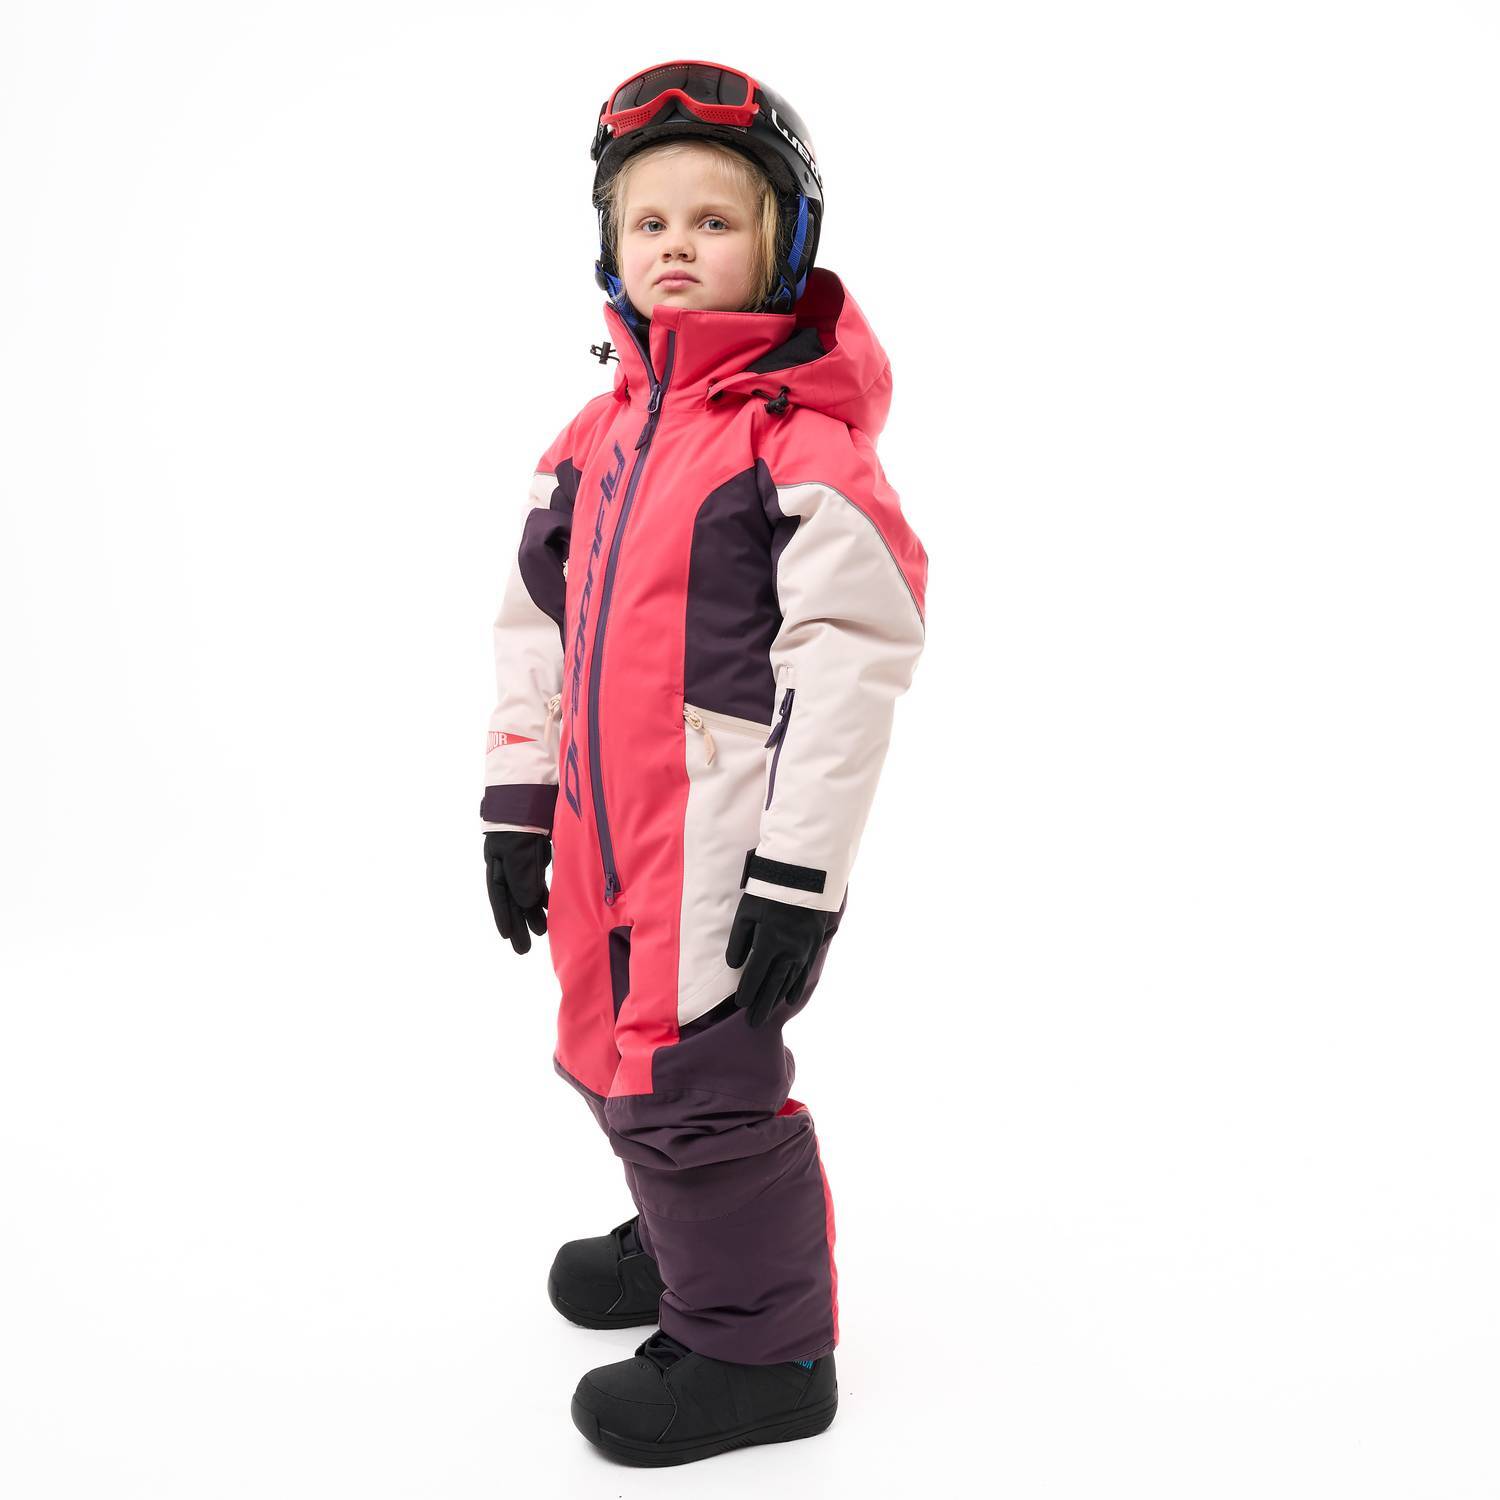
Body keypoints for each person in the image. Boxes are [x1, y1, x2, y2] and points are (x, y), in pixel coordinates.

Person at [479, 58, 928, 1466]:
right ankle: (690, 1241)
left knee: (698, 1081)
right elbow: (535, 625)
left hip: (721, 843)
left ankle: (760, 1347)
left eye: (714, 221)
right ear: (610, 246)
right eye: (649, 221)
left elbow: (852, 662)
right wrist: (518, 801)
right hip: (599, 834)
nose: (675, 244)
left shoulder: (797, 448)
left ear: (782, 248)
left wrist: (800, 875)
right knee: (601, 1047)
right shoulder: (597, 435)